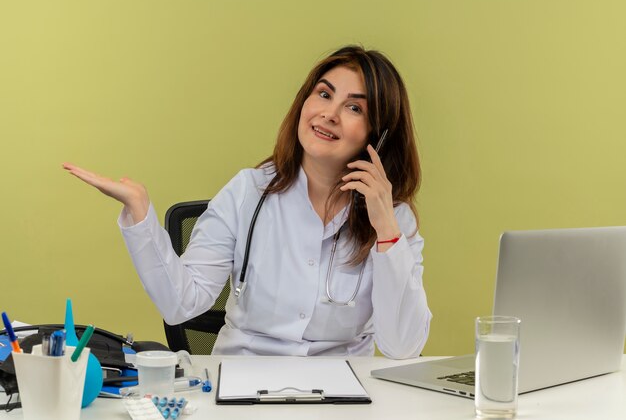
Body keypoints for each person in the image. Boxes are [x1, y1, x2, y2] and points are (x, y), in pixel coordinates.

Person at [63, 45, 431, 359]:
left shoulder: (395, 219)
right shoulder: (248, 193)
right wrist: (139, 211)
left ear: (378, 135)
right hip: (244, 384)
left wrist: (386, 229)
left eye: (354, 108)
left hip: (343, 392)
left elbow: (402, 347)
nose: (329, 114)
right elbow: (181, 303)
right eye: (323, 94)